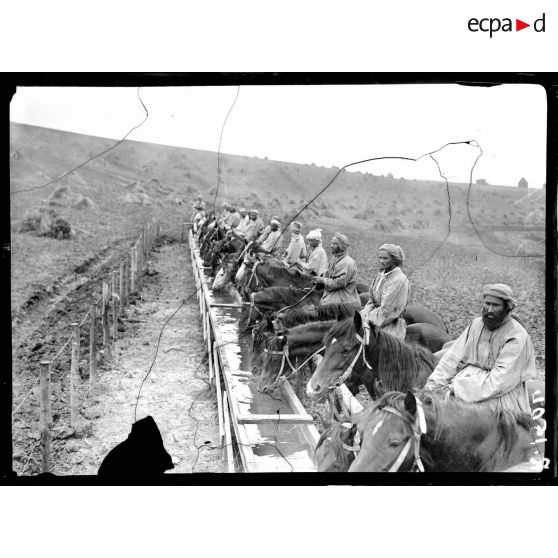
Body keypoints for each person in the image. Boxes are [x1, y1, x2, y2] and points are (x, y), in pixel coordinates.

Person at [424, 284, 536, 414]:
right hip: (461, 386)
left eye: (495, 305)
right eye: (487, 304)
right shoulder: (476, 324)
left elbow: (499, 381)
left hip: (498, 396)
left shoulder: (517, 335)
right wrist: (432, 387)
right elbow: (452, 359)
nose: (490, 309)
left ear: (507, 308)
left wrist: (456, 389)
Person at [360, 244, 409, 339]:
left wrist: (368, 319)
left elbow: (387, 310)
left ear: (394, 259)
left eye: (385, 258)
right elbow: (371, 300)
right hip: (373, 318)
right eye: (380, 258)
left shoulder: (399, 280)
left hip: (389, 325)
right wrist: (364, 314)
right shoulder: (380, 275)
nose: (381, 261)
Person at [314, 232, 360, 306]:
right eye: (331, 243)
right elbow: (328, 273)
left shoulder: (347, 263)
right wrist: (321, 276)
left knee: (324, 307)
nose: (331, 246)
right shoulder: (335, 258)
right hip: (331, 292)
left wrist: (323, 280)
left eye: (334, 244)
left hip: (342, 297)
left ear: (341, 246)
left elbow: (339, 283)